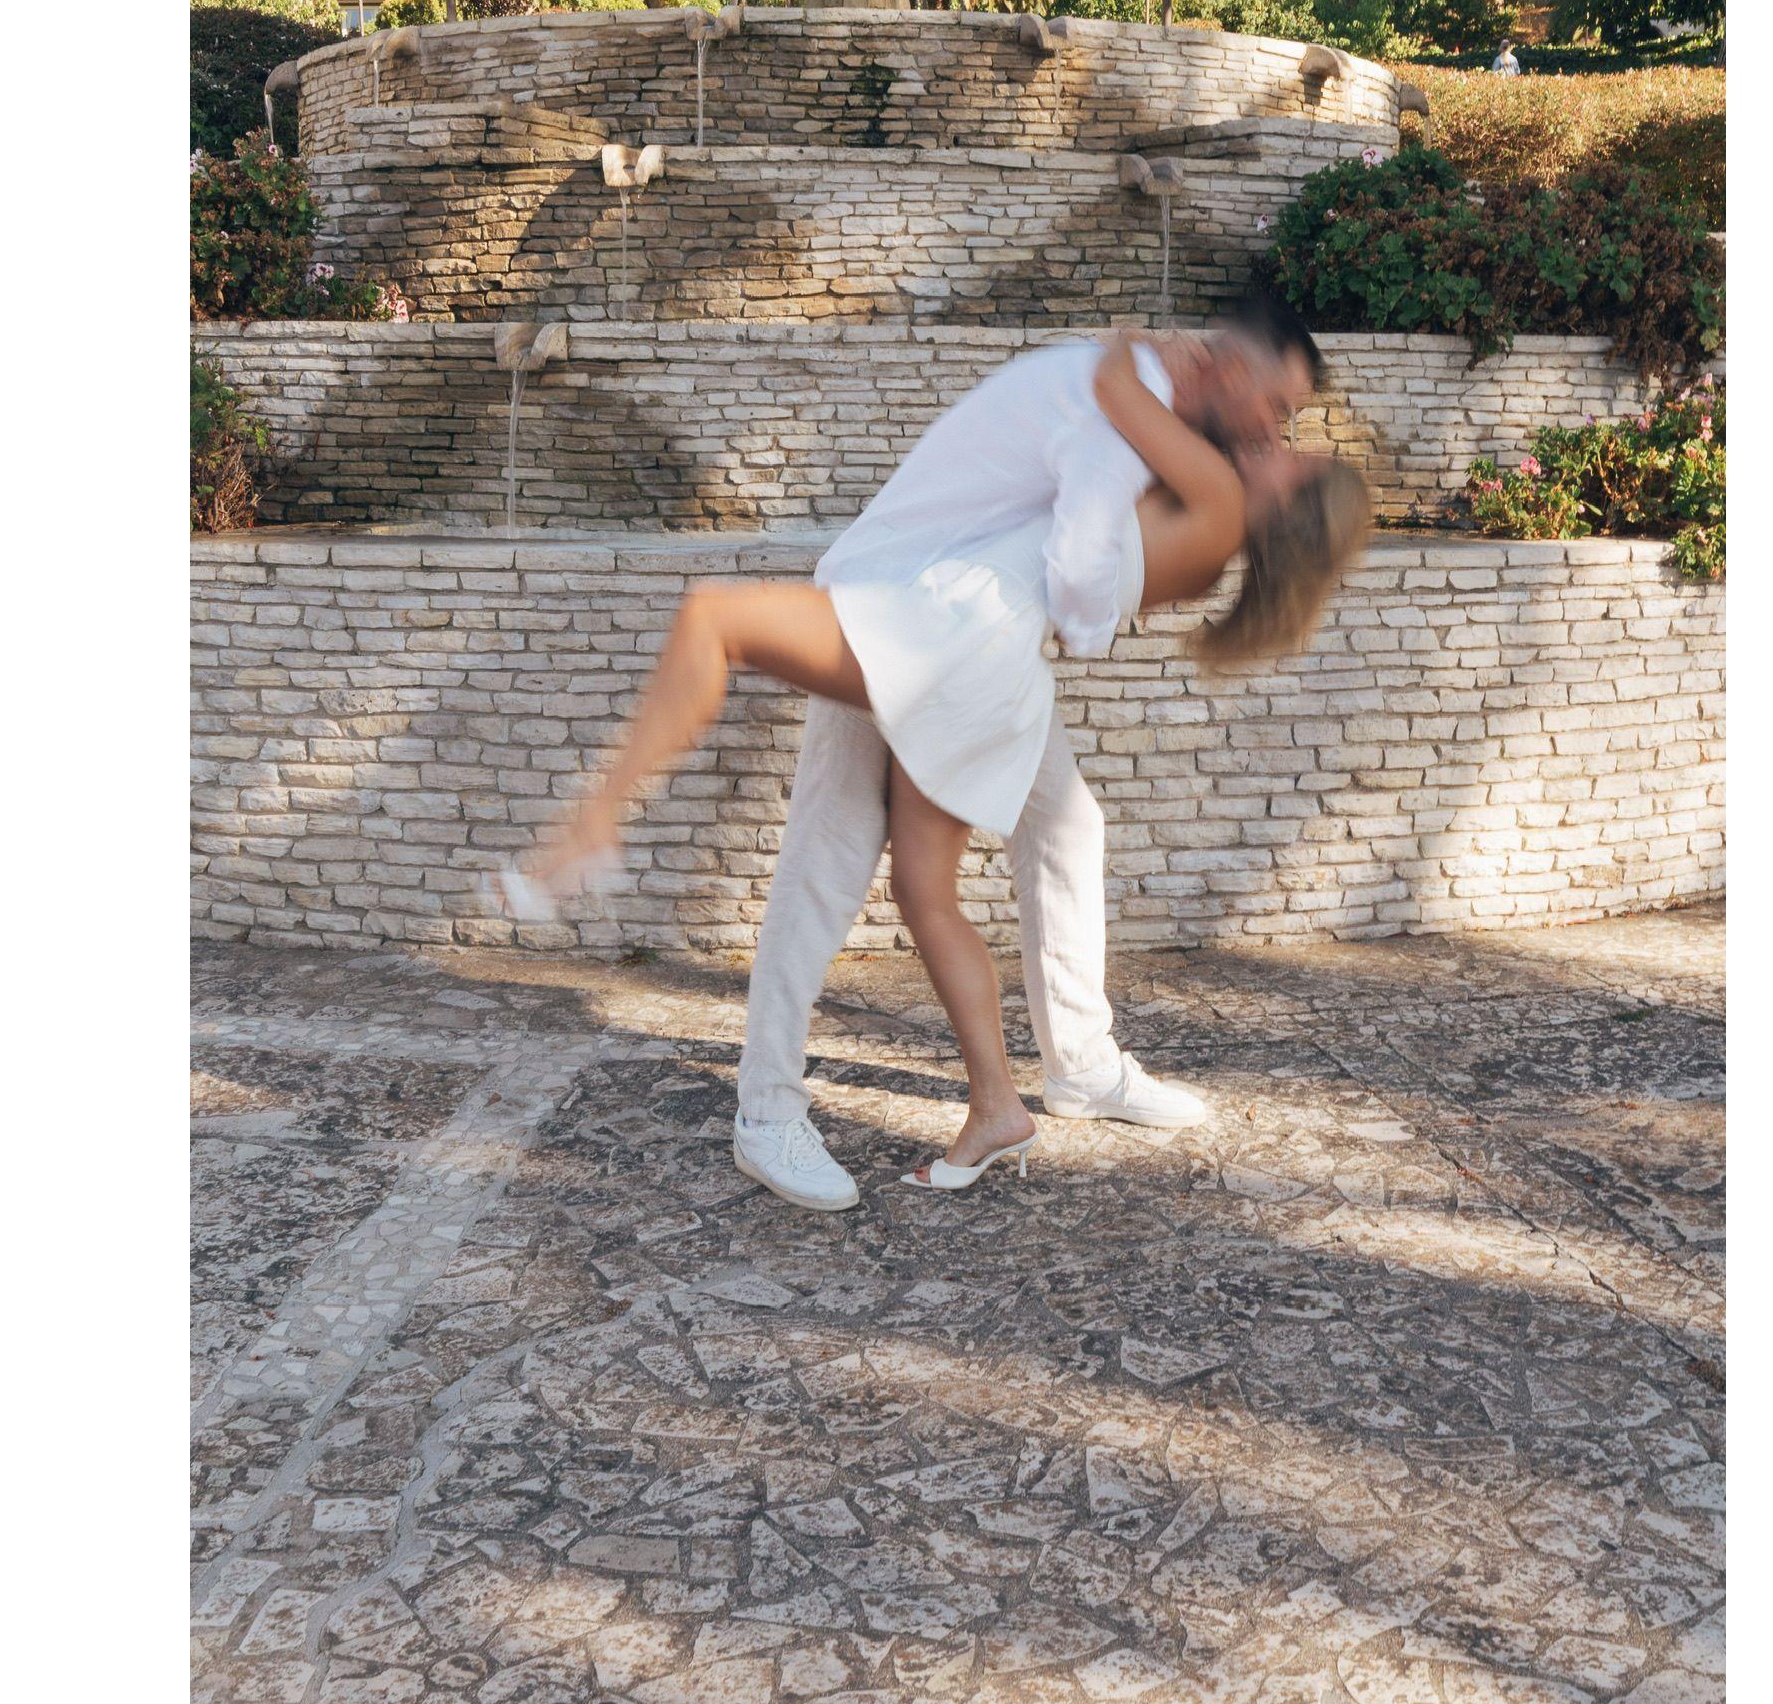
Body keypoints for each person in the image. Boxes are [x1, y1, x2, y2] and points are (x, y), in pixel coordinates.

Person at [495, 295, 1372, 1202]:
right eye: (1281, 415)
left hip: (953, 631)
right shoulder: (1178, 457)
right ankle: (890, 1101)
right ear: (1228, 365)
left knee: (895, 843)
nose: (1277, 435)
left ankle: (1026, 1078)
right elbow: (1104, 519)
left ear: (1285, 511)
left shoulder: (1167, 435)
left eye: (1291, 444)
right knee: (931, 866)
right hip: (940, 618)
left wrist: (1122, 343)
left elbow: (1092, 525)